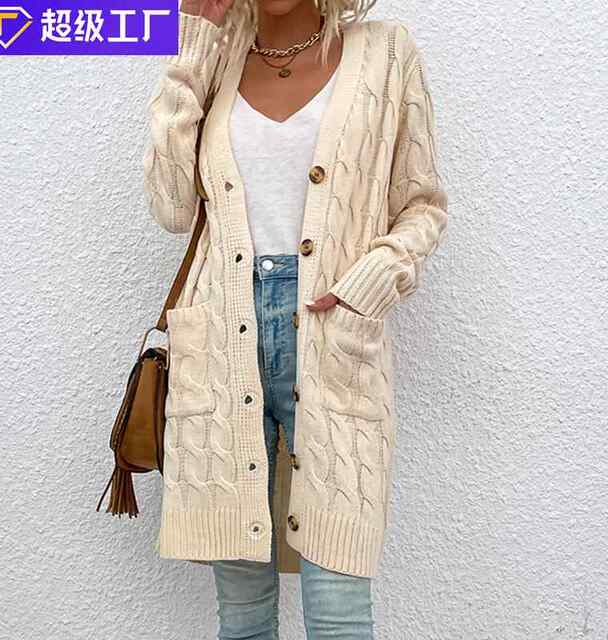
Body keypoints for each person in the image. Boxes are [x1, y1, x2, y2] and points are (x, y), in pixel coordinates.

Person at [143, 0, 448, 637]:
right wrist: (192, 48)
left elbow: (422, 205)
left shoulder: (386, 52)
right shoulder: (215, 60)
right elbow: (171, 207)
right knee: (243, 616)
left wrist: (372, 280)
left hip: (336, 340)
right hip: (222, 344)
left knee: (339, 612)